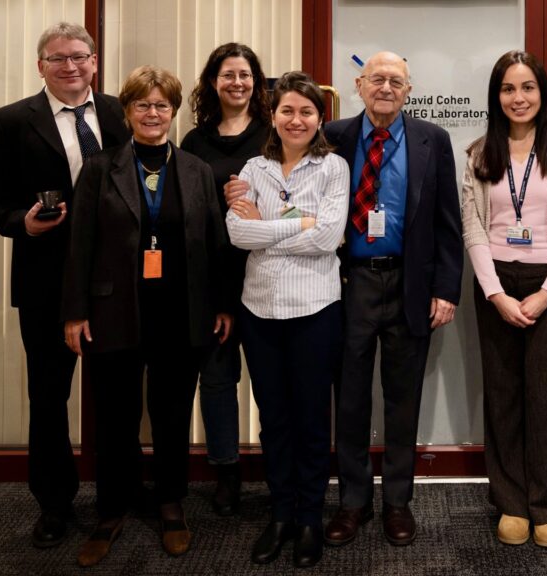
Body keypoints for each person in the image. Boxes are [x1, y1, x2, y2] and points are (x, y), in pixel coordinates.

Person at [224, 51, 463, 546]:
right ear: (359, 85)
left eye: (396, 81)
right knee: (350, 398)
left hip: (410, 283)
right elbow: (285, 184)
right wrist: (248, 200)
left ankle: (397, 502)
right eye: (377, 79)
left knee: (402, 398)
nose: (386, 88)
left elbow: (447, 220)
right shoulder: (336, 137)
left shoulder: (432, 140)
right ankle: (353, 501)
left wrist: (446, 289)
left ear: (409, 89)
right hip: (351, 282)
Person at [61, 65, 232, 567]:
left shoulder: (196, 170)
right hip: (114, 311)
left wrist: (222, 303)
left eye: (161, 105)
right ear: (127, 111)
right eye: (142, 104)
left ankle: (170, 502)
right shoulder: (101, 168)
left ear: (173, 111)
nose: (152, 113)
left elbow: (215, 242)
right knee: (115, 418)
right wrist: (75, 312)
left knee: (172, 414)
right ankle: (111, 509)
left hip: (181, 312)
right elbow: (80, 244)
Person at [0, 21, 129, 549]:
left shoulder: (120, 113)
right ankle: (54, 504)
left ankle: (116, 496)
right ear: (40, 65)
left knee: (116, 396)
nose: (70, 66)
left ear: (94, 62)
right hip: (45, 279)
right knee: (47, 397)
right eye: (57, 58)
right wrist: (21, 222)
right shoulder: (12, 120)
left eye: (79, 56)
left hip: (113, 281)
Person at [463, 50, 547, 548]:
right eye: (509, 89)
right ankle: (511, 502)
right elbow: (473, 226)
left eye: (528, 87)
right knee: (503, 394)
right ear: (497, 96)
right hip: (495, 282)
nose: (519, 98)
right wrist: (495, 293)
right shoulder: (479, 154)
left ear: (543, 93)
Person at [225, 71, 349, 569]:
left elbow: (329, 237)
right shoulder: (253, 168)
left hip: (315, 310)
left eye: (306, 111)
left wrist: (268, 227)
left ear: (320, 118)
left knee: (312, 419)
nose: (296, 120)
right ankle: (281, 514)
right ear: (273, 116)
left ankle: (310, 518)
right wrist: (301, 223)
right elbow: (237, 234)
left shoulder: (333, 167)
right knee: (273, 418)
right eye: (287, 111)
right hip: (259, 310)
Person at [181, 41, 271, 517]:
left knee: (272, 381)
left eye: (245, 74)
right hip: (213, 278)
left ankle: (280, 470)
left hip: (268, 275)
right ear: (213, 83)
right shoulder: (195, 142)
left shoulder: (275, 134)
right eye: (228, 75)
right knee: (217, 380)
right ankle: (226, 472)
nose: (237, 83)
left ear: (256, 82)